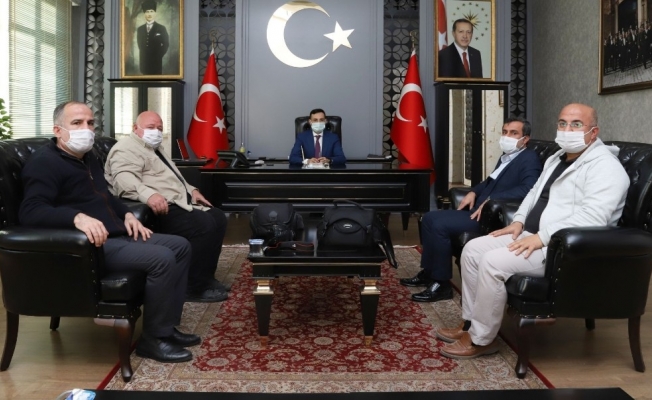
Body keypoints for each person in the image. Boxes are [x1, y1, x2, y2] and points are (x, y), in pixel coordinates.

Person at [437, 103, 630, 360]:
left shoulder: (606, 167)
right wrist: (518, 221)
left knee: (492, 262)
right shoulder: (557, 158)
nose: (567, 129)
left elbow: (594, 217)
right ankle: (470, 324)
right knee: (472, 250)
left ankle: (481, 340)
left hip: (560, 248)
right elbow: (533, 193)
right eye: (562, 123)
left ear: (593, 132)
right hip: (530, 234)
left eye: (576, 124)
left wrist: (542, 237)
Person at [19, 101, 198, 363]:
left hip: (115, 233)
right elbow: (31, 211)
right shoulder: (44, 163)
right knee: (162, 258)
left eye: (90, 123)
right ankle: (153, 340)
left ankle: (166, 327)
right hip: (88, 246)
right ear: (58, 130)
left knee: (180, 246)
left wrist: (126, 214)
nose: (86, 129)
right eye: (77, 123)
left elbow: (105, 196)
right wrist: (76, 217)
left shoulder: (88, 157)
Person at [401, 117, 542, 302]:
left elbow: (529, 189)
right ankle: (429, 272)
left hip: (491, 218)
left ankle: (441, 285)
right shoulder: (507, 157)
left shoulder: (529, 158)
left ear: (525, 139)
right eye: (504, 132)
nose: (507, 136)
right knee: (429, 218)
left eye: (513, 133)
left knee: (439, 225)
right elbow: (489, 181)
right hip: (475, 211)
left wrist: (492, 199)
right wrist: (473, 192)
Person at [105, 111, 229, 303]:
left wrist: (192, 190)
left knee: (218, 217)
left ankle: (205, 278)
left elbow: (173, 177)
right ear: (135, 128)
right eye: (150, 127)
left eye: (159, 128)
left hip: (177, 200)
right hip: (155, 208)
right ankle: (192, 287)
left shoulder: (155, 148)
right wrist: (149, 195)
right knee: (203, 224)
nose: (156, 132)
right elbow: (124, 181)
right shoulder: (126, 149)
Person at [136, 0, 169, 75]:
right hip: (144, 64)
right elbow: (140, 45)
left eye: (151, 11)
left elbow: (166, 44)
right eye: (147, 12)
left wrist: (158, 55)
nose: (149, 14)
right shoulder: (140, 29)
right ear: (144, 14)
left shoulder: (161, 28)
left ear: (155, 13)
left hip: (156, 64)